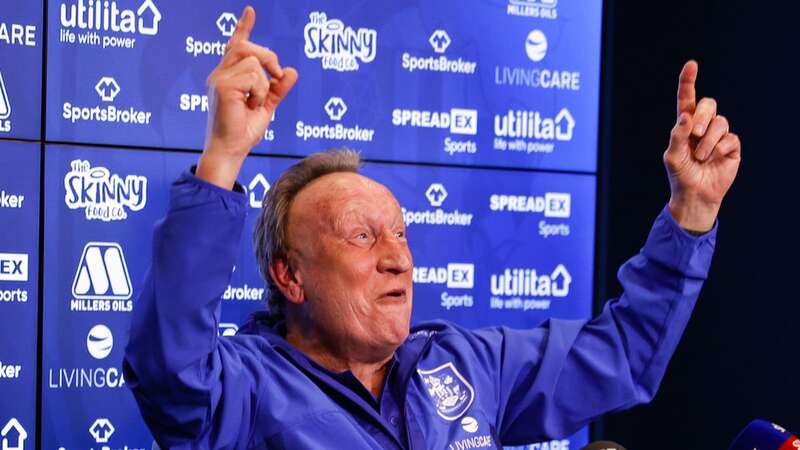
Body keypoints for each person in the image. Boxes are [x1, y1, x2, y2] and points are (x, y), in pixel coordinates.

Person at [123, 6, 741, 450]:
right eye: (362, 237)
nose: (398, 259)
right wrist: (224, 157)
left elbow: (624, 355)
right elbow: (167, 368)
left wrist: (692, 211)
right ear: (290, 275)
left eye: (400, 234)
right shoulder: (244, 387)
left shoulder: (470, 363)